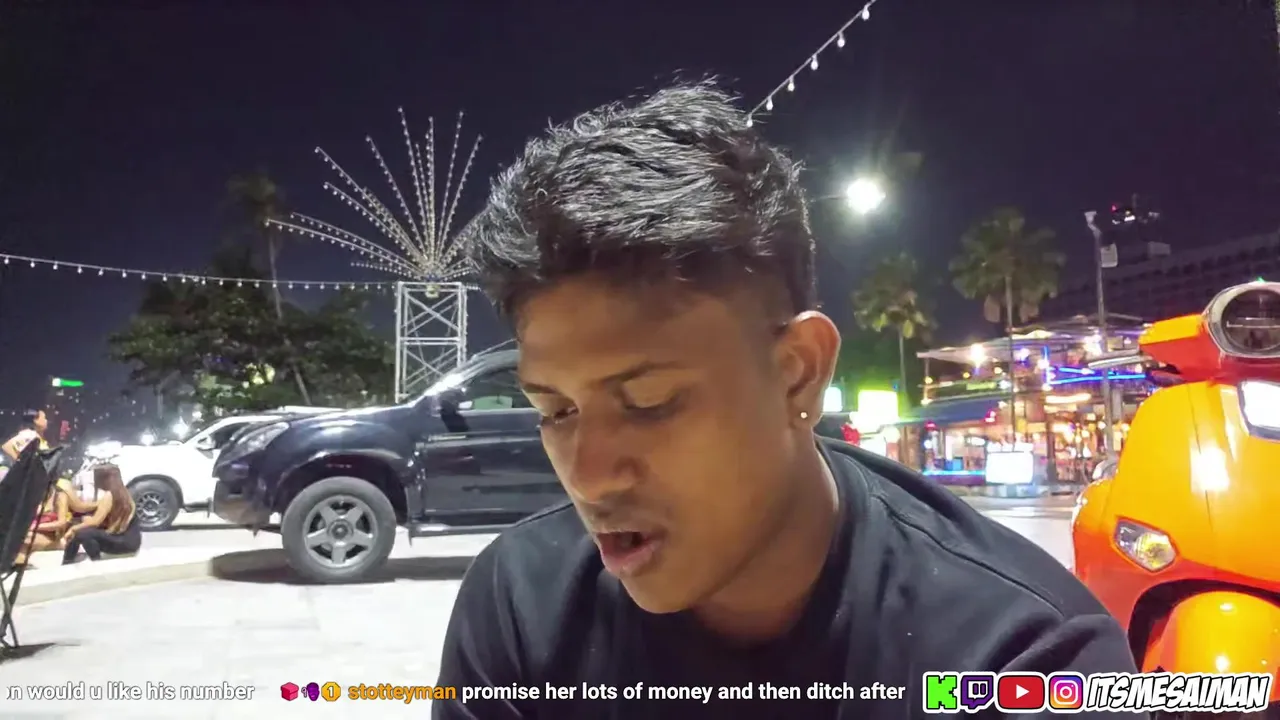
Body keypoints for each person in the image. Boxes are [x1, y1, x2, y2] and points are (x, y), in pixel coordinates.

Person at [433, 82, 1142, 719]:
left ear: (798, 375)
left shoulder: (1022, 660)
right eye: (556, 411)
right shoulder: (521, 608)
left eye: (648, 401)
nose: (588, 476)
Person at [61, 464, 141, 564]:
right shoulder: (125, 494)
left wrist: (72, 529)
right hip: (132, 543)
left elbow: (94, 522)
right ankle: (78, 559)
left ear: (103, 479)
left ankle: (71, 561)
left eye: (95, 477)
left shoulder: (109, 496)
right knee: (87, 532)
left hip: (122, 544)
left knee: (82, 533)